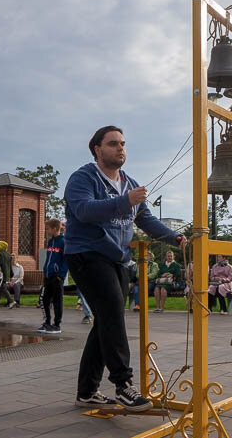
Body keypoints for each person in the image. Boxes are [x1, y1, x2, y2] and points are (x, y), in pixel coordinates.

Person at [64, 124, 184, 411]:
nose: (120, 148)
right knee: (113, 311)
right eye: (113, 143)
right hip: (87, 253)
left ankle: (86, 391)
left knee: (107, 319)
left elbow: (146, 220)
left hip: (115, 257)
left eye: (123, 143)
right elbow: (83, 210)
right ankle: (123, 385)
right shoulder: (83, 178)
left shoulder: (130, 183)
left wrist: (174, 236)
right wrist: (123, 202)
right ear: (97, 149)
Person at [41, 219, 67, 331]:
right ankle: (47, 322)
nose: (47, 230)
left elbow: (66, 260)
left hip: (57, 277)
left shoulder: (64, 242)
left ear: (55, 229)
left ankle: (57, 325)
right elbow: (48, 258)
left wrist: (61, 275)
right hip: (48, 276)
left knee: (57, 301)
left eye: (48, 228)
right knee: (45, 300)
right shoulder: (50, 241)